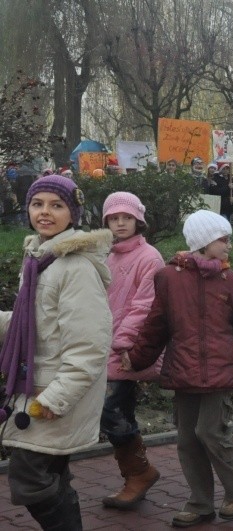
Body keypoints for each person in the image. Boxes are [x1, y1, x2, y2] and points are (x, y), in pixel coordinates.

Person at [122, 210, 233, 527]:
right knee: (188, 441)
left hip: (220, 373)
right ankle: (200, 503)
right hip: (183, 371)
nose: (229, 246)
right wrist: (138, 357)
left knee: (210, 432)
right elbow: (156, 325)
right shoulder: (168, 278)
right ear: (203, 241)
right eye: (223, 239)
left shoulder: (232, 282)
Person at [0, 175, 113, 529]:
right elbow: (31, 322)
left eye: (56, 205)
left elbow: (89, 345)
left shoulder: (74, 267)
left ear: (73, 213)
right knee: (50, 472)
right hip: (35, 384)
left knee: (30, 478)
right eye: (37, 204)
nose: (45, 212)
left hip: (49, 394)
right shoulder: (41, 258)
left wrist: (55, 398)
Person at [100, 192, 165, 510]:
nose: (120, 223)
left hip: (126, 349)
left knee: (114, 411)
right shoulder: (107, 256)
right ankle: (138, 472)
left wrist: (124, 343)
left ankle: (139, 473)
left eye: (126, 217)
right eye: (114, 218)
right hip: (101, 345)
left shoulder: (149, 257)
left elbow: (145, 306)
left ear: (138, 220)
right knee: (111, 412)